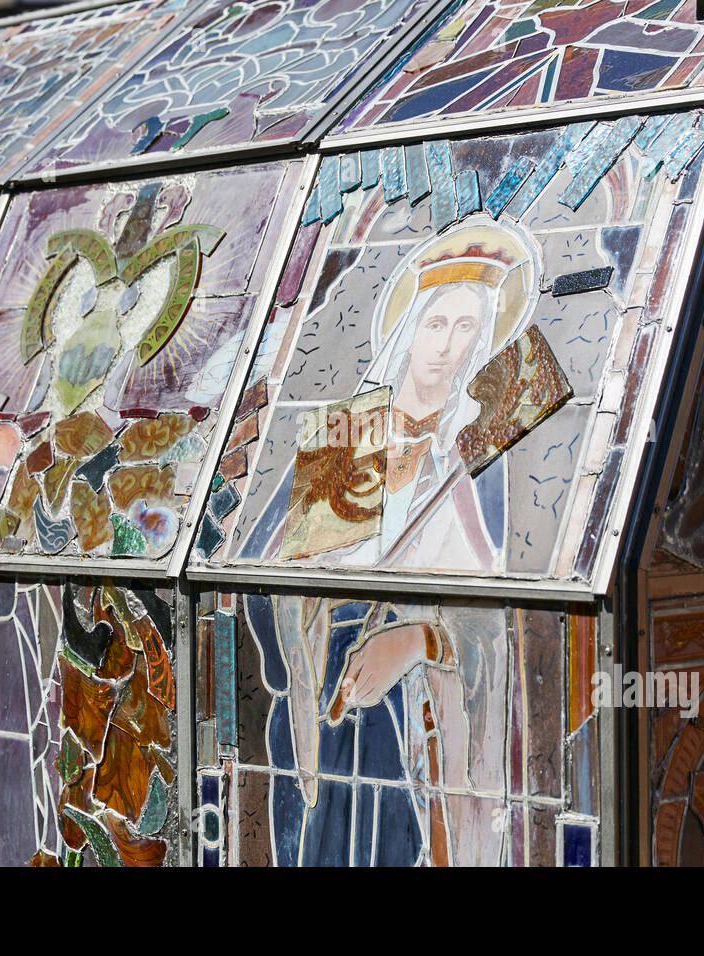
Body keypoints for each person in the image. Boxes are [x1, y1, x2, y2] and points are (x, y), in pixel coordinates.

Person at [243, 219, 538, 865]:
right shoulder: (345, 437)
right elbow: (256, 589)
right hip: (326, 708)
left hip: (422, 719)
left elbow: (512, 618)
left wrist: (417, 640)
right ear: (409, 331)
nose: (448, 346)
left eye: (468, 329)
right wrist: (317, 615)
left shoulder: (479, 451)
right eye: (436, 324)